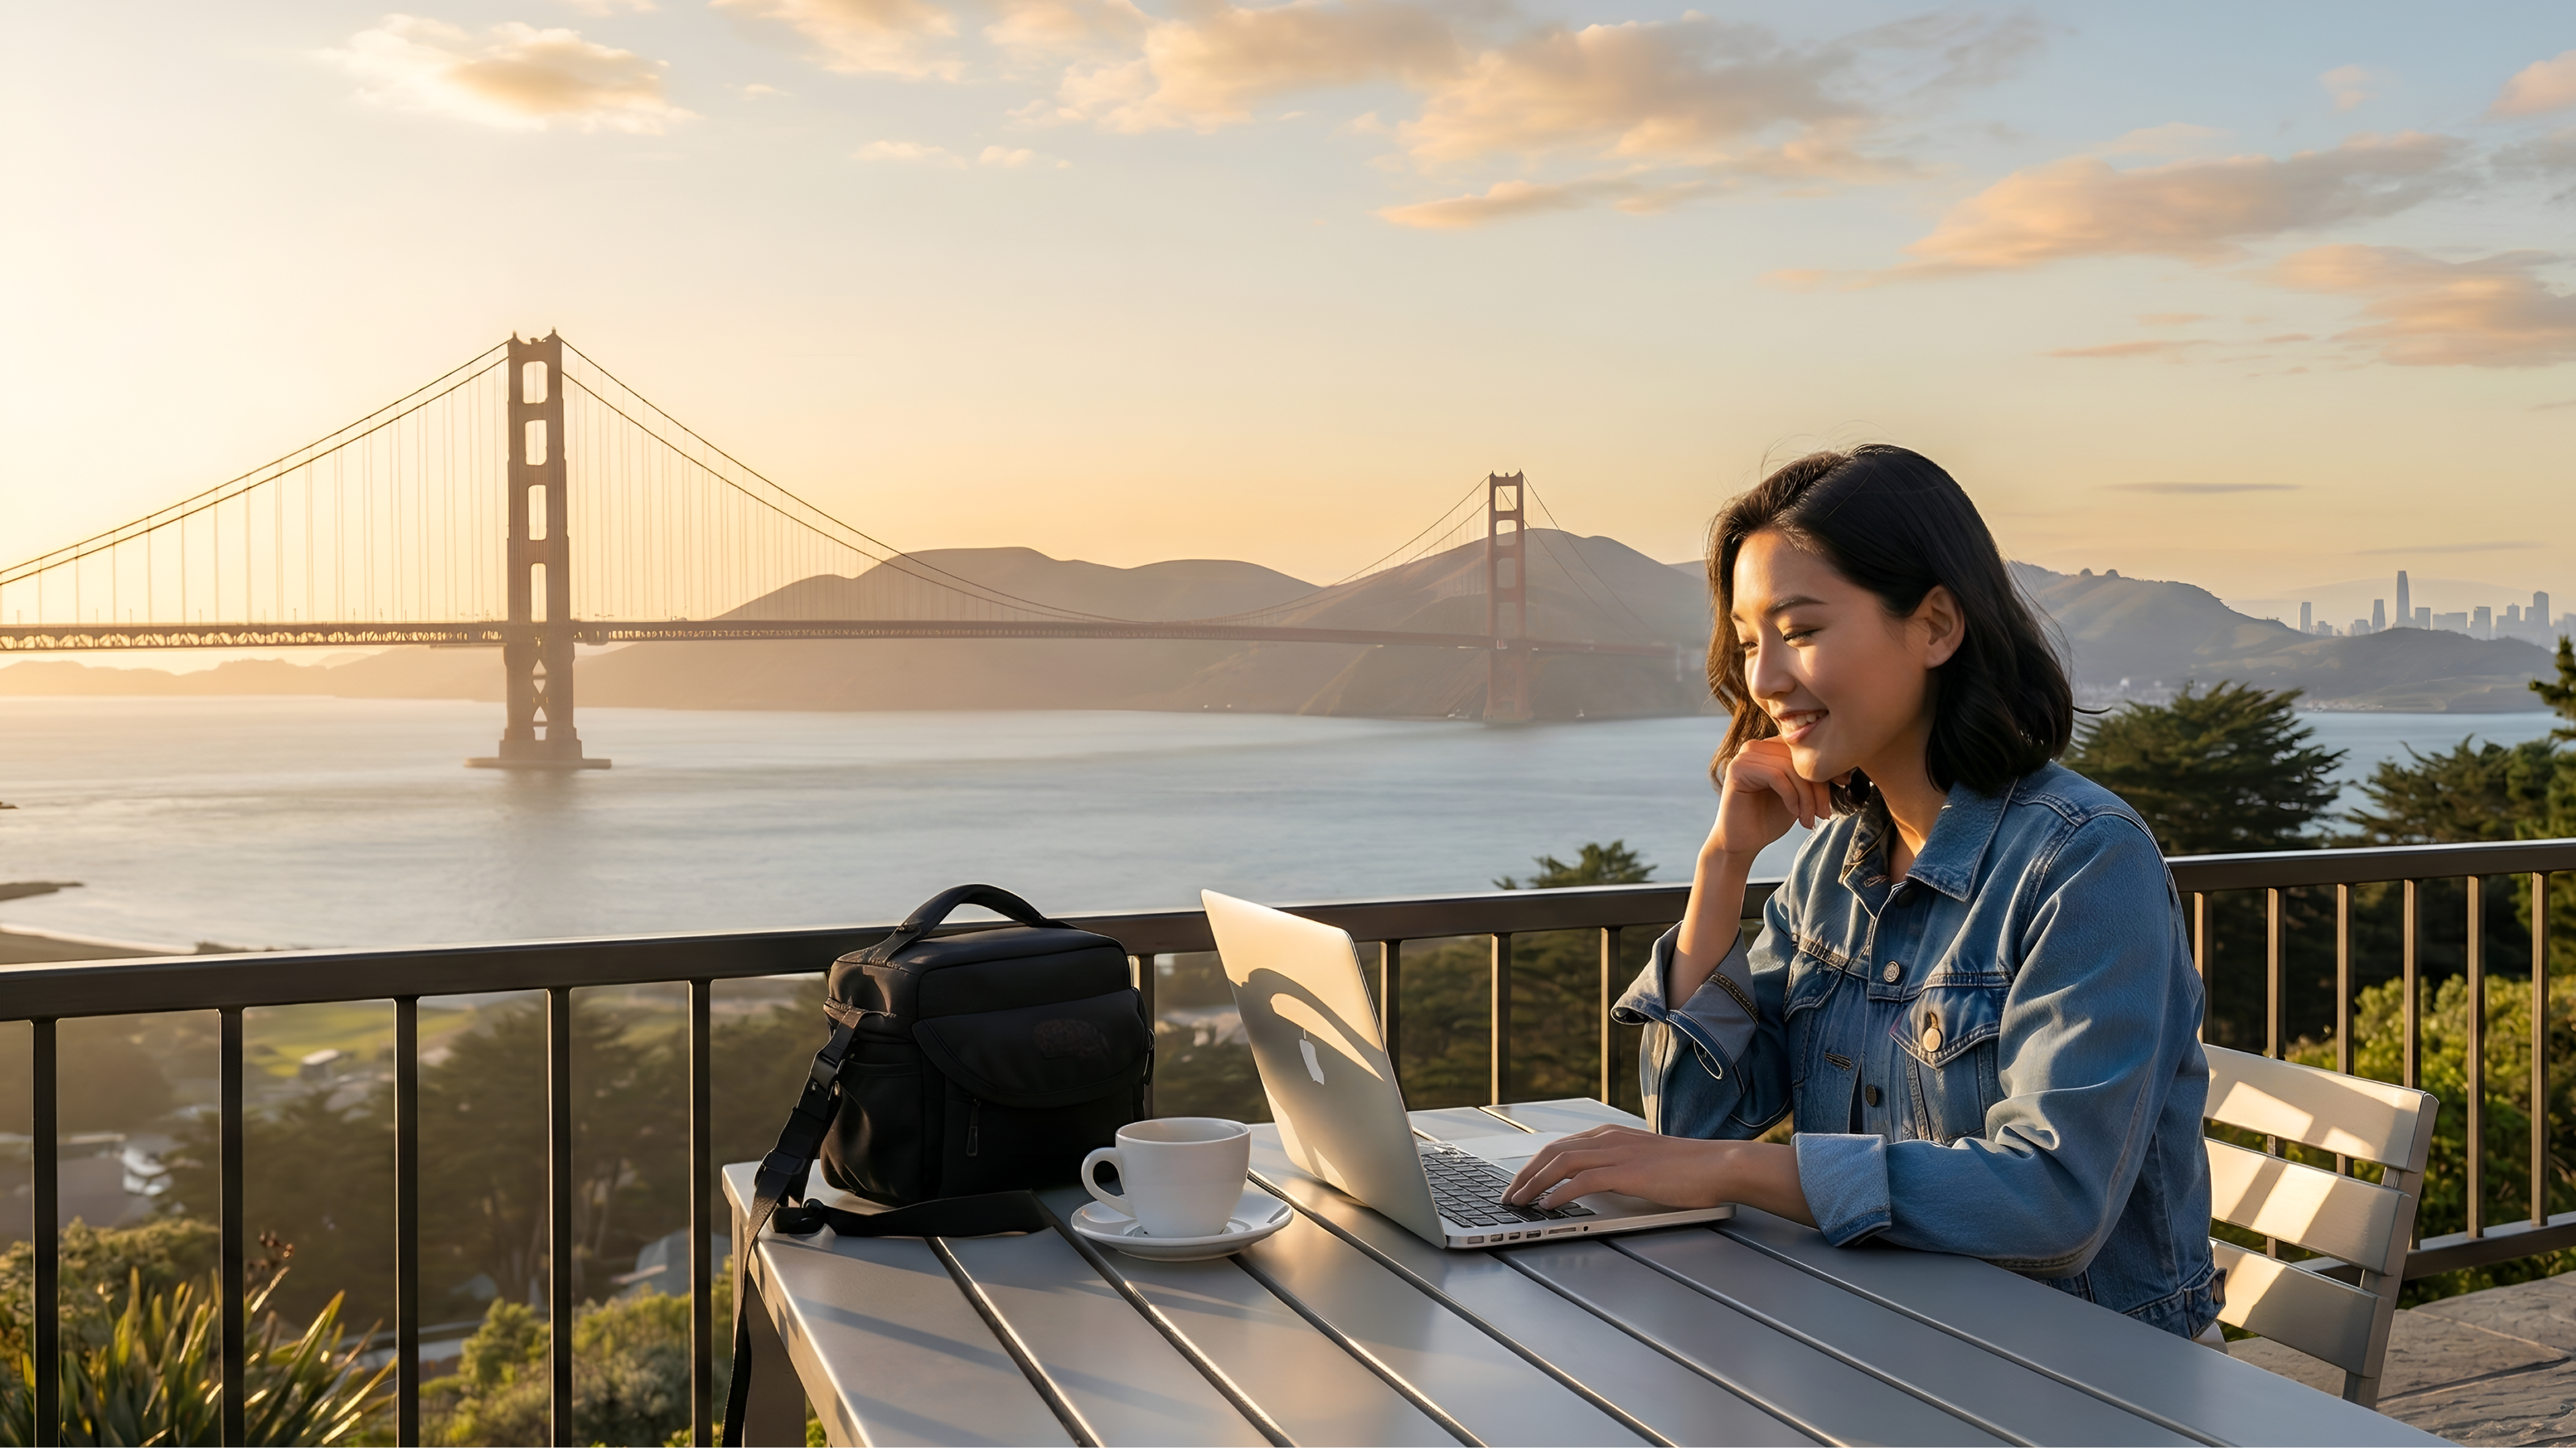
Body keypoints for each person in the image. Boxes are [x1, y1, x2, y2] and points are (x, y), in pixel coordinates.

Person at [1503, 445, 2219, 1341]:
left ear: (1934, 627)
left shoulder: (2081, 862)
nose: (1762, 680)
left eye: (1798, 631)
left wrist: (1735, 1170)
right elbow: (1687, 1118)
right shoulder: (1834, 863)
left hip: (2096, 1371)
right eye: (1751, 640)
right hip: (1891, 1338)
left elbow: (2054, 1199)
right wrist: (1722, 865)